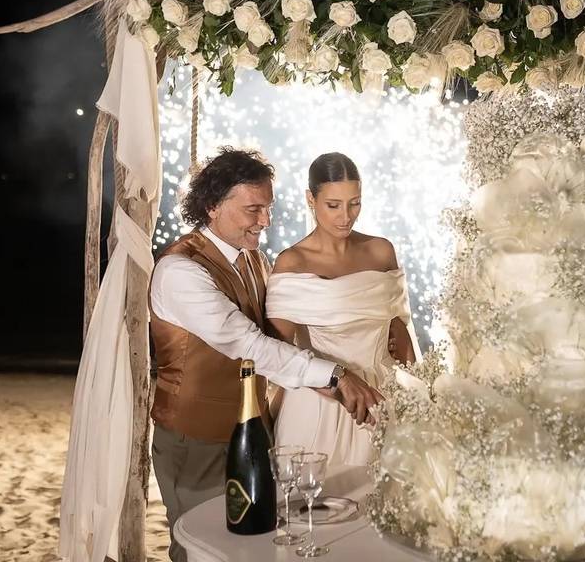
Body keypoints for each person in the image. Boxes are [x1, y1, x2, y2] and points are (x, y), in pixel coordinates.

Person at [148, 147, 382, 562]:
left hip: (254, 432)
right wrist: (334, 376)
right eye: (253, 209)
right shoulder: (180, 271)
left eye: (268, 208)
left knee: (252, 547)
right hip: (197, 439)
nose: (266, 221)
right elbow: (248, 344)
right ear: (212, 207)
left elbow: (278, 344)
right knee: (201, 548)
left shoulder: (254, 259)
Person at [267, 152, 418, 466]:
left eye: (355, 202)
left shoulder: (381, 251)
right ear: (311, 199)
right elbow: (278, 357)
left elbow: (402, 335)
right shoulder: (292, 262)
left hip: (384, 400)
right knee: (314, 507)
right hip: (319, 408)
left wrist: (418, 397)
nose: (346, 216)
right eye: (333, 205)